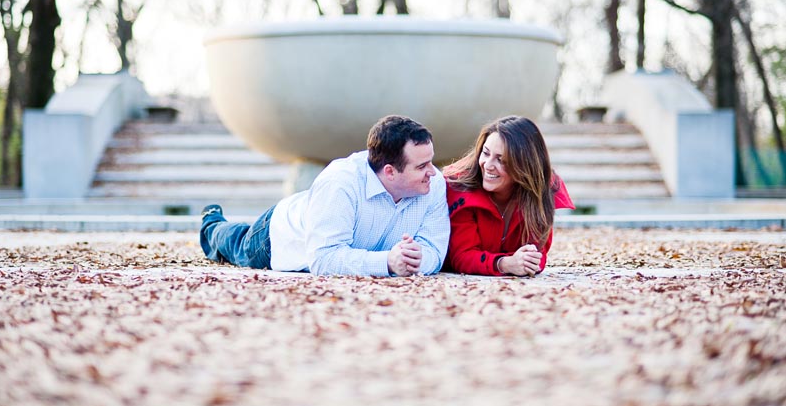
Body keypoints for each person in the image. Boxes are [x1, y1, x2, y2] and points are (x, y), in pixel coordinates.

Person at [199, 115, 450, 277]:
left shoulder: (434, 184)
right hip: (279, 235)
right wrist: (387, 262)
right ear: (390, 172)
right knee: (234, 243)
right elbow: (324, 258)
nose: (432, 172)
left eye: (430, 162)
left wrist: (416, 260)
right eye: (421, 167)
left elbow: (434, 250)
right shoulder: (341, 182)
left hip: (317, 214)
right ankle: (212, 223)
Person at [443, 115, 574, 276]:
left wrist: (528, 262)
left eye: (501, 160)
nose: (488, 165)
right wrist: (505, 264)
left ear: (524, 166)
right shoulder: (459, 186)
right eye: (485, 153)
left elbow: (537, 257)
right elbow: (462, 256)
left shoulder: (542, 191)